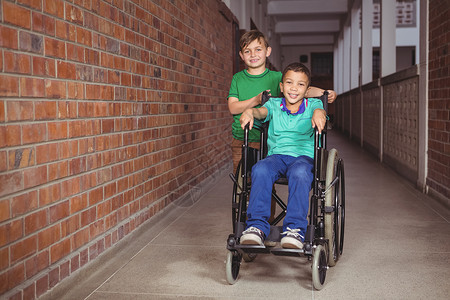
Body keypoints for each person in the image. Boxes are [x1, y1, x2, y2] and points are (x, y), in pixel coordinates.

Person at [238, 62, 326, 249]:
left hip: (304, 158)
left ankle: (294, 230)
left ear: (307, 89)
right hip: (276, 157)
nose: (294, 88)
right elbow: (261, 112)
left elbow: (320, 111)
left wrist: (319, 113)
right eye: (289, 83)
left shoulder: (314, 104)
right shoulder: (274, 104)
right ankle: (256, 226)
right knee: (260, 168)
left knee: (300, 173)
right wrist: (250, 111)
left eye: (300, 84)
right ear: (281, 86)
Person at [228, 30, 336, 176]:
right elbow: (233, 108)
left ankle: (267, 198)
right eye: (248, 51)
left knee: (266, 175)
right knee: (243, 177)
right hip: (244, 136)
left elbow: (298, 89)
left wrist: (324, 93)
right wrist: (255, 100)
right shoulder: (238, 78)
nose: (253, 54)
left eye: (258, 49)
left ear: (268, 51)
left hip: (269, 138)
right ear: (241, 55)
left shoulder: (277, 76)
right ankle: (247, 199)